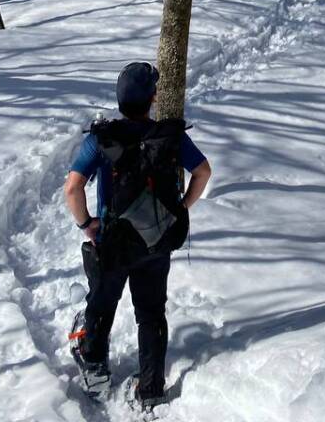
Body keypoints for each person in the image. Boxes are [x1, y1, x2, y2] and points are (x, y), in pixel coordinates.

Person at [63, 62, 212, 412]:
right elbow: (203, 172)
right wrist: (181, 208)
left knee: (101, 305)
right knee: (150, 312)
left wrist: (87, 225)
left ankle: (96, 373)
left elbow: (73, 188)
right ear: (152, 98)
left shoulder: (101, 139)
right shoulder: (169, 136)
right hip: (156, 240)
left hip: (113, 242)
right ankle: (150, 390)